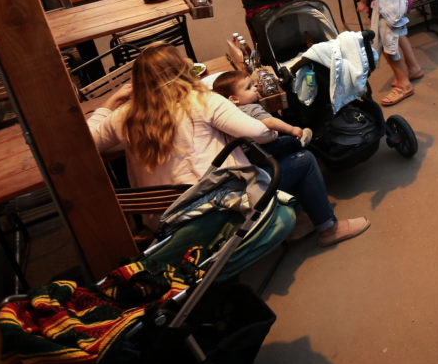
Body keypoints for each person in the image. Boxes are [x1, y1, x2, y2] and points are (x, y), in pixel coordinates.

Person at [88, 43, 366, 247]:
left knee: (275, 151)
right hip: (216, 209)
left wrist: (110, 102)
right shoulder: (201, 100)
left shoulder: (126, 115)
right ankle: (329, 228)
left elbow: (90, 141)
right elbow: (259, 132)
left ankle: (296, 219)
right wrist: (273, 137)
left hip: (164, 220)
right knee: (300, 159)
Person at [211, 72, 312, 159]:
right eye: (248, 88)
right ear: (234, 99)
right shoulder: (251, 108)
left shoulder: (231, 113)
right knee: (288, 141)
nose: (255, 88)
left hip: (245, 153)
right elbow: (271, 122)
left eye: (253, 85)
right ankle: (300, 143)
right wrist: (292, 129)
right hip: (263, 150)